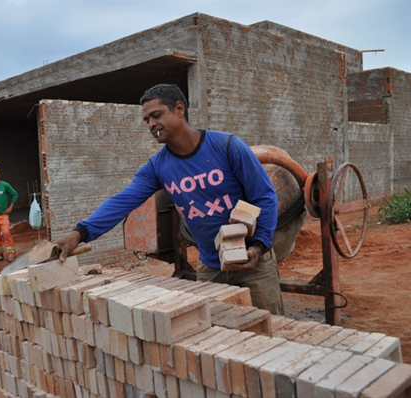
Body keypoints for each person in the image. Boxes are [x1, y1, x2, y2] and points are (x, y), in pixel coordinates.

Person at [55, 83, 284, 315]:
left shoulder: (226, 146)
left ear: (179, 109)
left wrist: (258, 246)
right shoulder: (157, 168)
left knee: (271, 329)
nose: (151, 124)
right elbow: (122, 201)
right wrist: (80, 233)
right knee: (217, 334)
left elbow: (264, 197)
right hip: (211, 267)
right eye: (147, 120)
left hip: (255, 264)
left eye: (156, 115)